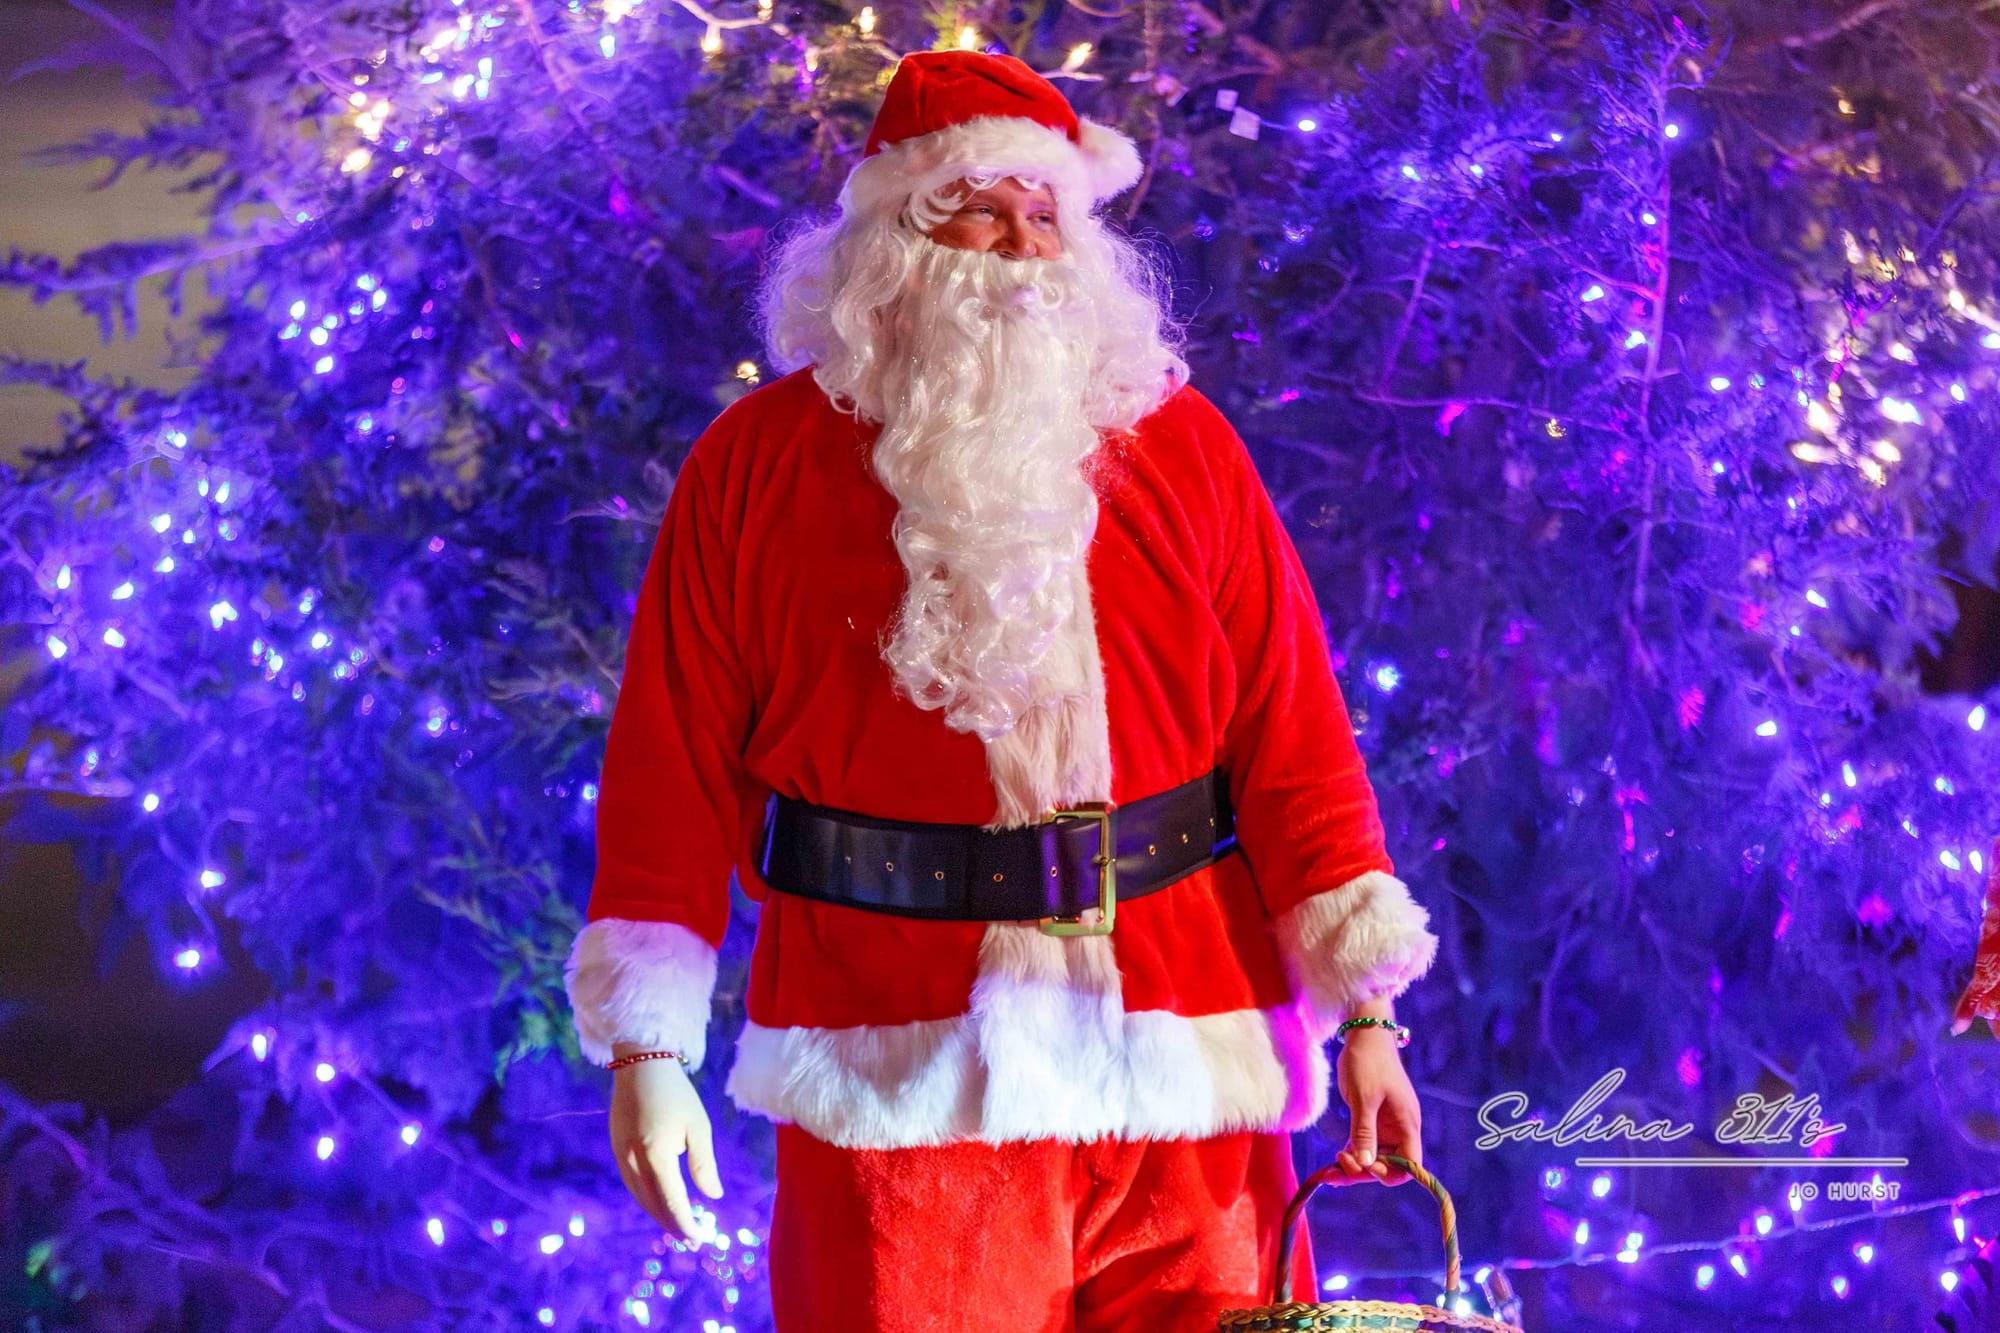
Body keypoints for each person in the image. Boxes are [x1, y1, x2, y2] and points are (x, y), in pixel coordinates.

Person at [564, 48, 1440, 1332]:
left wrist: (1367, 1012)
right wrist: (647, 1048)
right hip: (897, 1067)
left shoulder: (1184, 446)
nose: (1023, 245)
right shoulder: (756, 465)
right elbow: (671, 763)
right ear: (893, 239)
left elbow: (1292, 731)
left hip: (1183, 1060)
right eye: (979, 207)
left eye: (1045, 212)